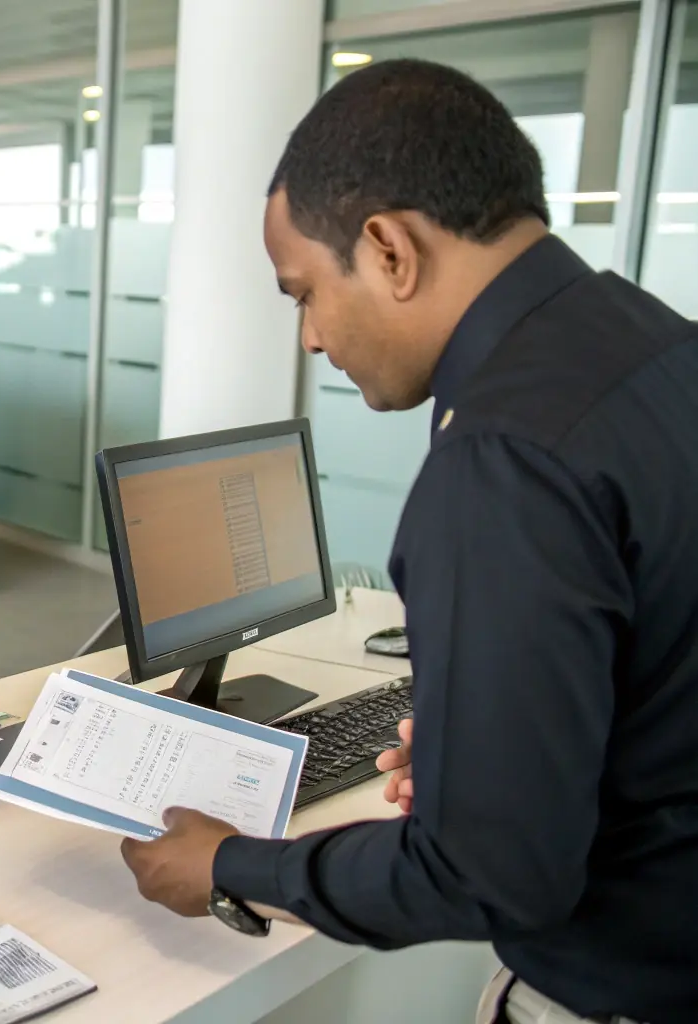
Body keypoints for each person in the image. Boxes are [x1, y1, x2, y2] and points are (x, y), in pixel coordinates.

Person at [120, 59, 698, 1024]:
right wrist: (512, 747)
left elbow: (493, 874)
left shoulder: (503, 460)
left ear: (388, 249)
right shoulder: (660, 350)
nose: (308, 338)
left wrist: (229, 864)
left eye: (302, 292)